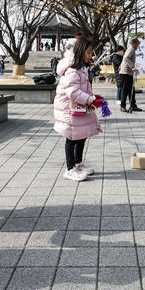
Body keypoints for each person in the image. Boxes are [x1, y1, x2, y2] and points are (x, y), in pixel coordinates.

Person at [54, 37, 104, 182]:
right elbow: (73, 93)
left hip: (79, 107)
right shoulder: (73, 70)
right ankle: (70, 169)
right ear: (80, 52)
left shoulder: (81, 68)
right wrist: (90, 100)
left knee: (81, 135)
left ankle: (78, 164)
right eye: (88, 52)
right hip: (69, 109)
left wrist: (92, 98)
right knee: (71, 138)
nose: (91, 55)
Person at [119, 37, 142, 113]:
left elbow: (124, 58)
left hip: (128, 73)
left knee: (131, 90)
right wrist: (132, 67)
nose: (138, 46)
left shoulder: (131, 49)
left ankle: (133, 105)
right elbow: (126, 58)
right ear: (135, 44)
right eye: (138, 44)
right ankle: (122, 106)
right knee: (125, 90)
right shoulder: (131, 49)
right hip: (125, 73)